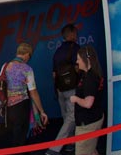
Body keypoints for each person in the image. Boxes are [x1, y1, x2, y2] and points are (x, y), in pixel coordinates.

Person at [5, 42, 48, 151]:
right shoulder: (27, 69)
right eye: (30, 55)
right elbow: (33, 92)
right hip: (22, 107)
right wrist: (41, 111)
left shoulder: (6, 66)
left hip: (9, 107)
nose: (29, 58)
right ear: (27, 54)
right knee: (21, 137)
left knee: (13, 134)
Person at [47, 24, 80, 155]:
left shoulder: (57, 52)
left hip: (60, 89)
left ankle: (70, 144)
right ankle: (54, 148)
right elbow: (78, 69)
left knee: (66, 117)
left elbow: (54, 74)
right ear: (71, 34)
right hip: (72, 89)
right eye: (76, 33)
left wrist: (57, 89)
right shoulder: (76, 49)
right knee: (71, 118)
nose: (77, 36)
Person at [70, 45, 104, 155]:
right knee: (91, 149)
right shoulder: (92, 74)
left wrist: (75, 99)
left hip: (88, 124)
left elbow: (88, 103)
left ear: (87, 60)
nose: (77, 61)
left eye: (79, 59)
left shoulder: (90, 78)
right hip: (93, 119)